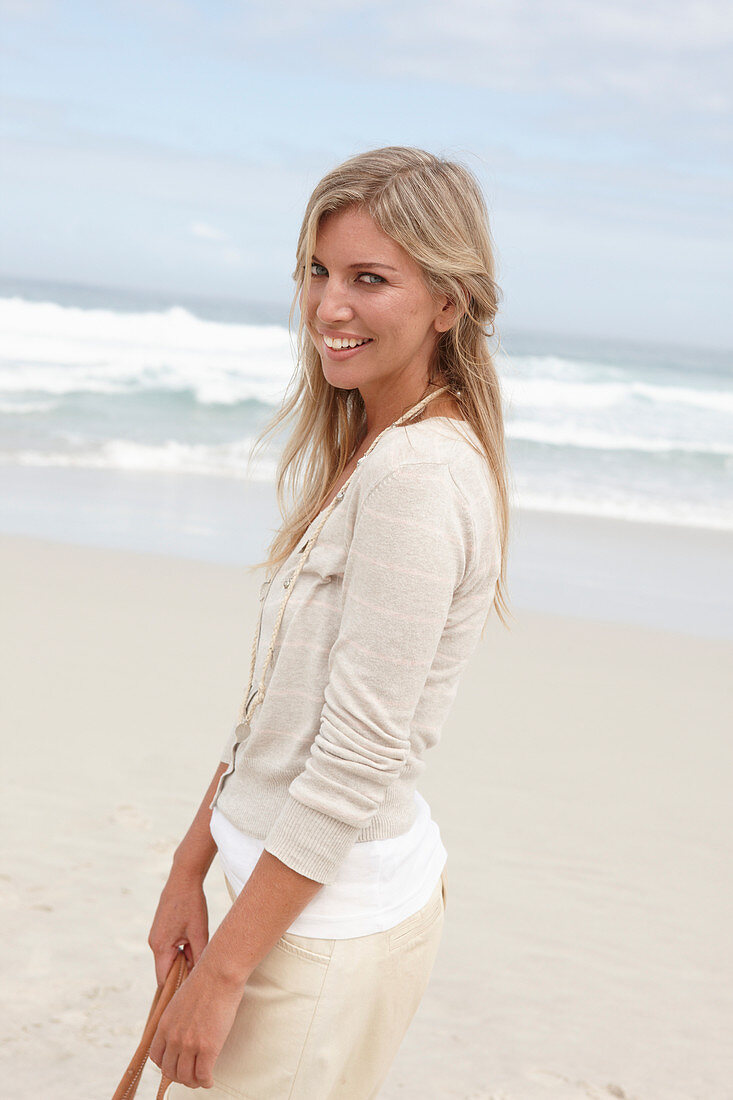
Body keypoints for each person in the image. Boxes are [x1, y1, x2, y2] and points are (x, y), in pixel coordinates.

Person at [147, 145, 511, 1098]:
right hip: (286, 903)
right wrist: (192, 862)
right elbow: (275, 709)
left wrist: (226, 969)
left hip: (316, 933)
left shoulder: (413, 478)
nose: (328, 307)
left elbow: (354, 758)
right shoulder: (372, 446)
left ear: (447, 300)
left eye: (368, 279)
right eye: (317, 271)